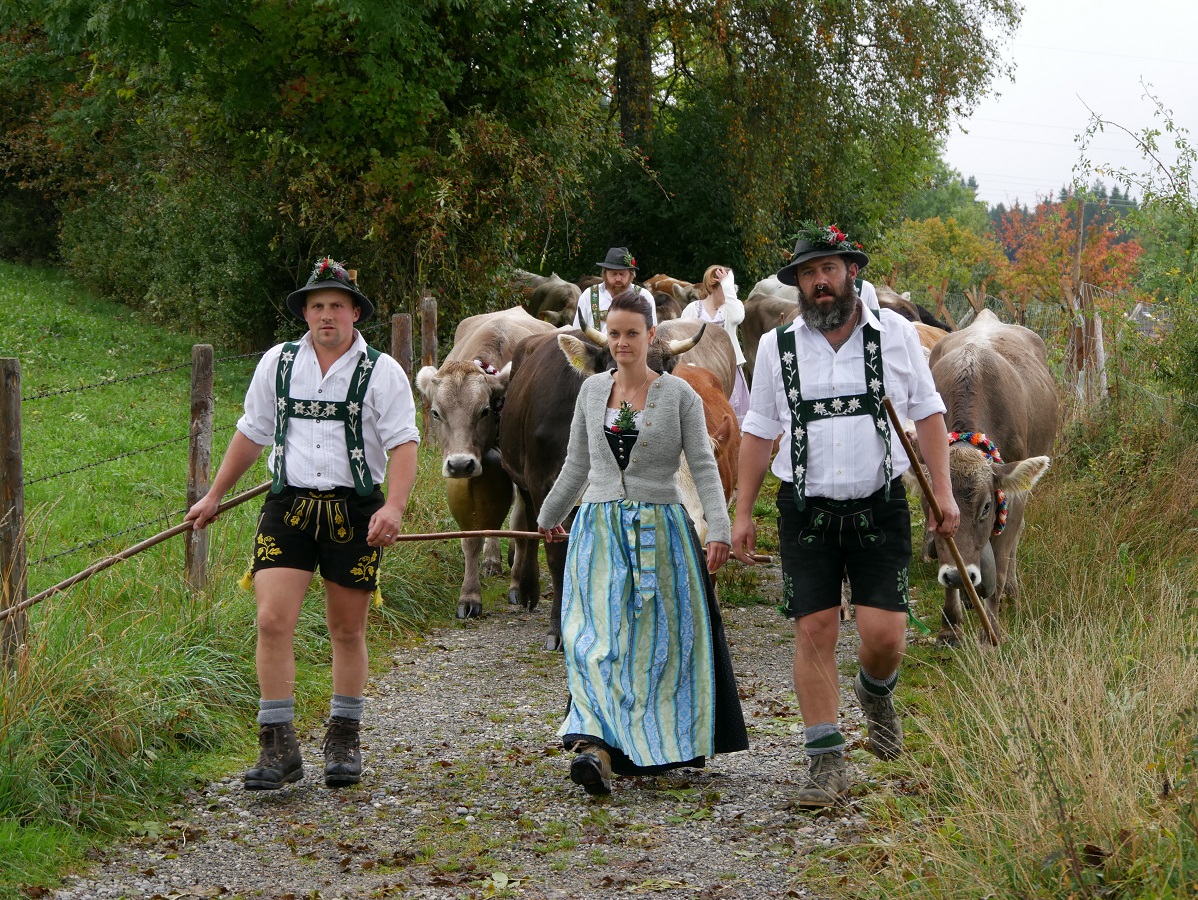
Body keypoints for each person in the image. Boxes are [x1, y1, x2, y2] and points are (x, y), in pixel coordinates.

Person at [730, 223, 959, 808]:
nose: (820, 282)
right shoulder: (777, 348)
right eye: (809, 274)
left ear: (850, 271)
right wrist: (741, 512)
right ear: (800, 285)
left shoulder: (899, 336)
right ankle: (825, 762)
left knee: (885, 637)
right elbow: (759, 429)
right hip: (804, 510)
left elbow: (929, 414)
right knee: (815, 630)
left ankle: (874, 689)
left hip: (879, 507)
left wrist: (944, 492)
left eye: (828, 269)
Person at [185, 257, 420, 791]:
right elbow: (253, 432)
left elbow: (405, 442)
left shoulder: (382, 371)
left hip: (353, 512)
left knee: (346, 628)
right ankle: (278, 745)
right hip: (287, 506)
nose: (326, 315)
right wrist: (214, 495)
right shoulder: (279, 363)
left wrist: (394, 508)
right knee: (271, 620)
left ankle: (344, 736)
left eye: (337, 305)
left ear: (355, 313)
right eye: (317, 306)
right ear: (306, 314)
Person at [539, 289, 748, 795]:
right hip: (599, 530)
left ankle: (649, 743)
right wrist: (549, 514)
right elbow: (577, 465)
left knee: (656, 645)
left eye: (632, 333)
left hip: (663, 534)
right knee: (591, 637)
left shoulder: (679, 396)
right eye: (614, 334)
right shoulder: (591, 393)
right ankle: (594, 743)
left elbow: (701, 465)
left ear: (651, 336)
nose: (621, 343)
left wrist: (718, 530)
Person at [680, 264, 751, 423]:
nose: (731, 290)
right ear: (712, 286)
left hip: (728, 370)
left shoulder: (733, 307)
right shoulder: (693, 309)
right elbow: (682, 336)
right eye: (726, 286)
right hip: (700, 371)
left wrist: (728, 286)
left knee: (731, 420)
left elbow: (738, 317)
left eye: (731, 286)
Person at [572, 246, 657, 333]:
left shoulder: (644, 296)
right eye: (613, 274)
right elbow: (576, 331)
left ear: (631, 274)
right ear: (604, 274)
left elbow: (651, 333)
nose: (618, 278)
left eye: (622, 274)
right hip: (594, 346)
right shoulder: (588, 295)